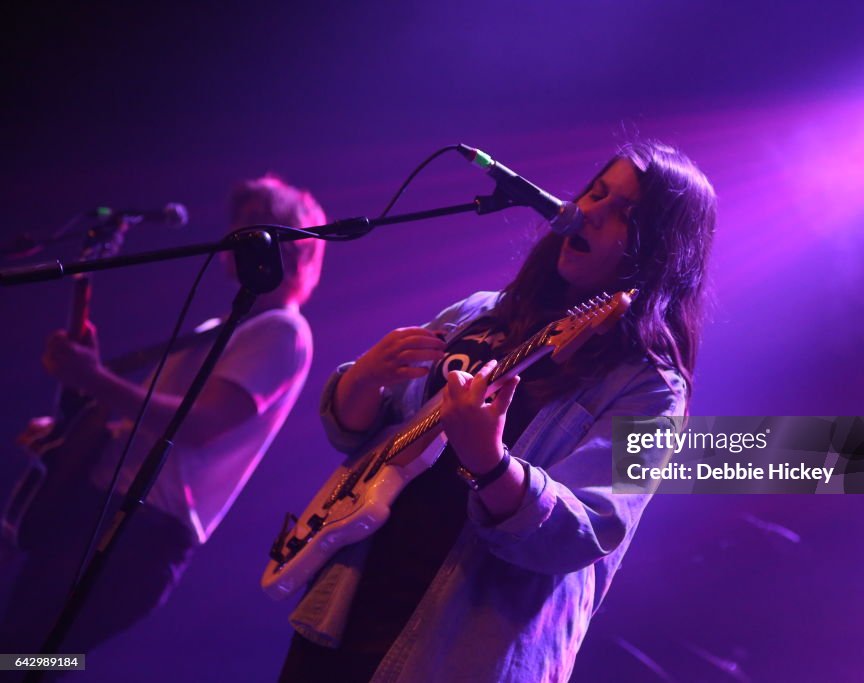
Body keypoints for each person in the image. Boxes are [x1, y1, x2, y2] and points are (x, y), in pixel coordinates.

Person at [278, 140, 717, 683]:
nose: (586, 212)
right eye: (594, 192)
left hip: (460, 653)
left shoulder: (651, 388)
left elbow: (589, 529)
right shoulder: (479, 311)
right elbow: (360, 438)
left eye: (622, 213)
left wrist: (488, 462)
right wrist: (362, 378)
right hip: (348, 605)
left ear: (657, 251)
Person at [0, 175, 325, 656]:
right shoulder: (222, 327)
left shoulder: (283, 331)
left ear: (290, 246)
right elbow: (143, 425)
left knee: (28, 654)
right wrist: (69, 431)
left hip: (140, 531)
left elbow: (197, 426)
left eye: (255, 224)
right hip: (108, 510)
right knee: (25, 649)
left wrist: (92, 378)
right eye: (238, 223)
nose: (235, 236)